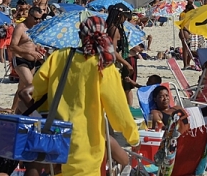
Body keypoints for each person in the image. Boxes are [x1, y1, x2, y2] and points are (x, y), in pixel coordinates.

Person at [32, 15, 139, 176]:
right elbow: (118, 108)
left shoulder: (60, 56)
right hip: (84, 142)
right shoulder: (103, 66)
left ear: (81, 36)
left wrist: (45, 107)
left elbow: (37, 88)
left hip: (55, 135)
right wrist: (133, 136)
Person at [8, 7, 45, 111]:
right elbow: (12, 46)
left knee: (21, 87)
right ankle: (32, 111)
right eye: (36, 18)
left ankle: (13, 110)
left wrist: (38, 49)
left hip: (32, 61)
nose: (38, 21)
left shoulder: (35, 28)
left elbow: (32, 44)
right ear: (29, 15)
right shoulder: (20, 27)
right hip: (20, 60)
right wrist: (29, 52)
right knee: (30, 85)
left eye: (39, 19)